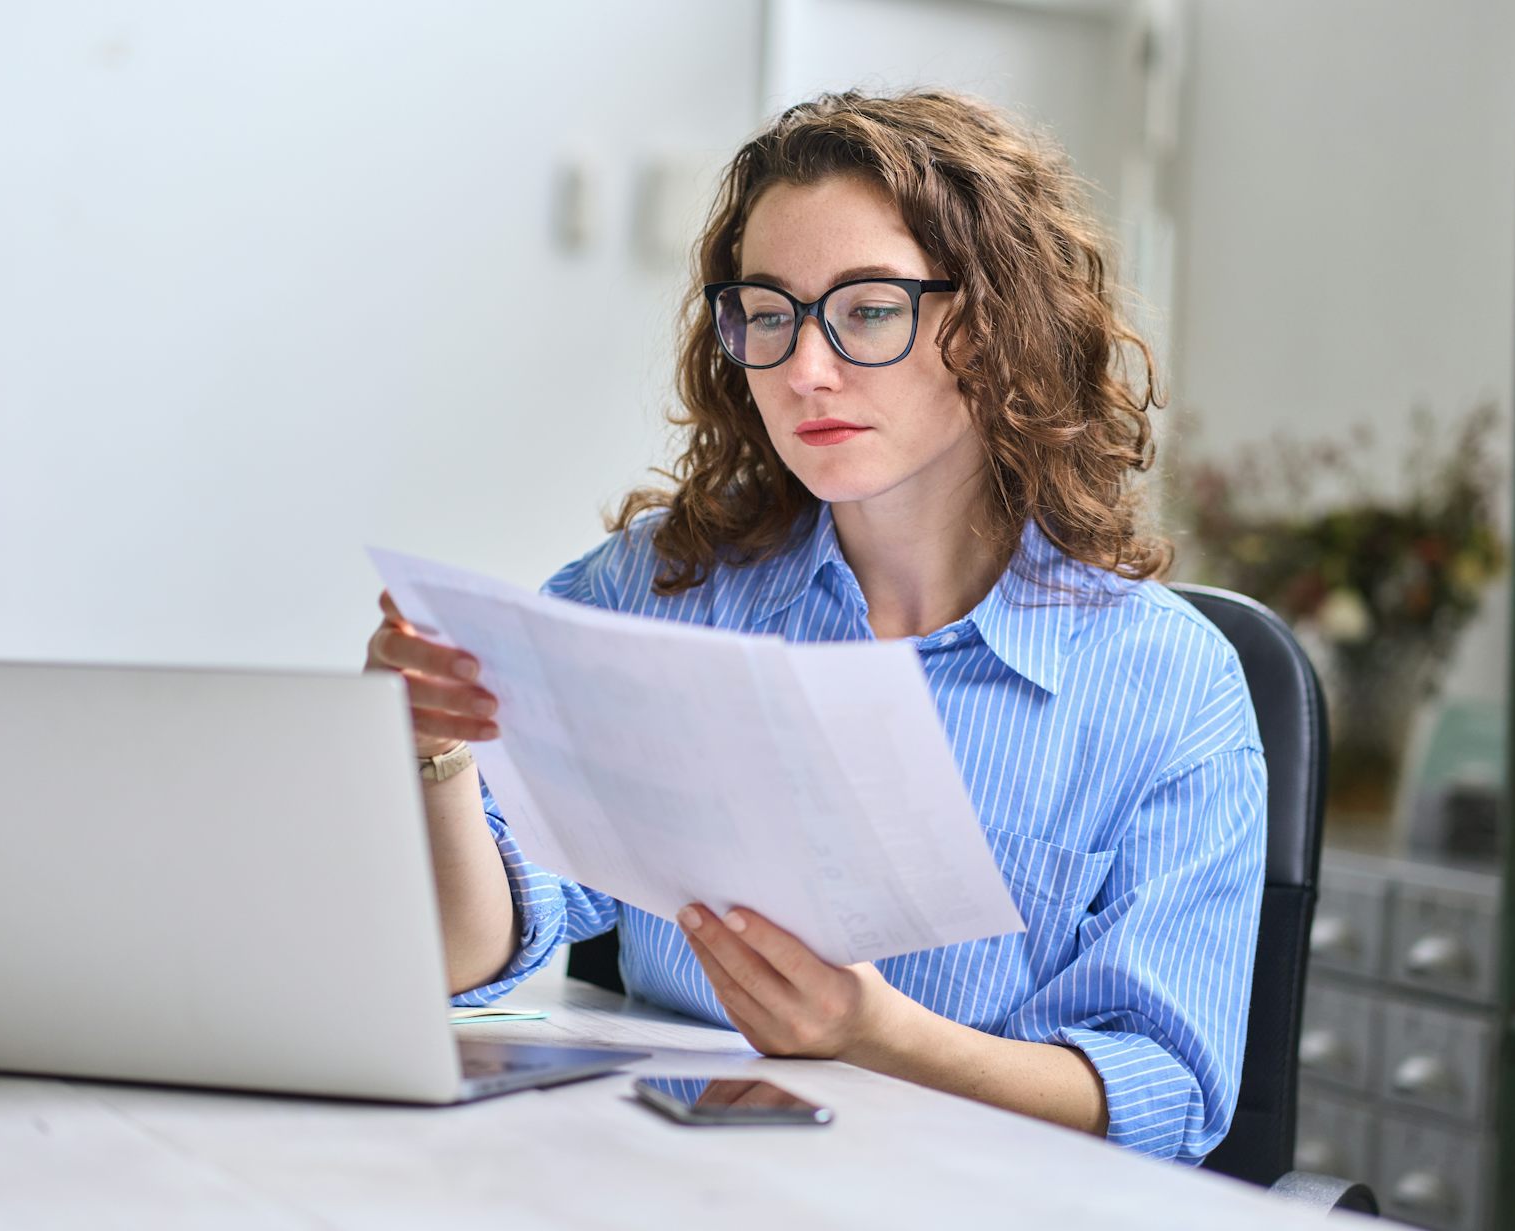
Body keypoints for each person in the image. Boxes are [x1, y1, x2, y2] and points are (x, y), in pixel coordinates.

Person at [364, 89, 1265, 1165]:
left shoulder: (1169, 682)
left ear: (991, 326)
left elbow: (1166, 1091)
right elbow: (475, 956)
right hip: (659, 1183)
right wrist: (437, 755)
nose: (805, 369)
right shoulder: (657, 589)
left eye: (869, 309)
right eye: (770, 312)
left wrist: (880, 1038)